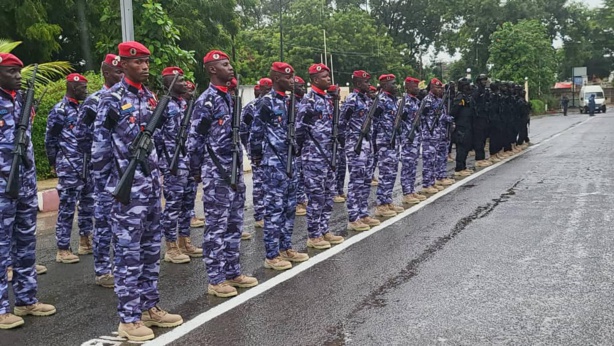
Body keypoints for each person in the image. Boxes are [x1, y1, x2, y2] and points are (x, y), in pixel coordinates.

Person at [92, 41, 183, 341]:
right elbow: (100, 150)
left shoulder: (150, 96)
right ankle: (128, 319)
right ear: (122, 65)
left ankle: (149, 307)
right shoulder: (112, 100)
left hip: (150, 188)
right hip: (126, 192)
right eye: (137, 62)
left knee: (149, 251)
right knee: (128, 254)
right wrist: (109, 192)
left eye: (146, 62)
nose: (144, 67)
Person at [188, 50, 258, 298]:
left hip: (234, 169)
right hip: (216, 172)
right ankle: (216, 279)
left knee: (234, 223)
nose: (230, 68)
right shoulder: (206, 102)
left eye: (230, 63)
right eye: (224, 64)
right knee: (216, 227)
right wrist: (197, 170)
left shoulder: (230, 98)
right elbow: (194, 140)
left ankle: (233, 271)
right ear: (212, 69)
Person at [0, 52, 56, 330]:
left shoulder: (19, 101)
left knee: (25, 244)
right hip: (1, 185)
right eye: (11, 72)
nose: (17, 77)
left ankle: (26, 299)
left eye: (19, 72)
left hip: (24, 183)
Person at [250, 62, 310, 270]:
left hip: (291, 161)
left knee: (289, 207)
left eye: (293, 76)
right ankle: (272, 255)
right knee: (274, 209)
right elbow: (255, 133)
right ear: (276, 79)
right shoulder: (266, 102)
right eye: (288, 77)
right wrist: (257, 157)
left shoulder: (292, 101)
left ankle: (286, 247)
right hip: (273, 162)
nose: (292, 80)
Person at [75, 53, 123, 287]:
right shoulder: (94, 101)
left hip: (126, 171)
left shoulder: (129, 98)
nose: (121, 76)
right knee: (103, 221)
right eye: (117, 72)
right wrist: (98, 161)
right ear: (106, 73)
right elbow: (82, 136)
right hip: (105, 173)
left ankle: (124, 268)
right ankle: (103, 270)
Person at [154, 67, 202, 264]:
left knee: (187, 204)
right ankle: (171, 246)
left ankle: (185, 241)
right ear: (168, 84)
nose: (184, 83)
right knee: (173, 205)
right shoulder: (164, 106)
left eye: (183, 79)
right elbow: (155, 135)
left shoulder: (186, 104)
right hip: (173, 162)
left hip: (189, 161)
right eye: (179, 80)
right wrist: (165, 159)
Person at [45, 73, 94, 263]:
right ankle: (63, 248)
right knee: (67, 208)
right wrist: (53, 163)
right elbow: (51, 139)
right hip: (68, 166)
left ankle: (84, 240)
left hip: (86, 164)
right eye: (83, 87)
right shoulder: (60, 110)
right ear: (73, 87)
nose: (86, 90)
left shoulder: (84, 109)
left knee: (88, 204)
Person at [296, 63, 345, 249]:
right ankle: (313, 234)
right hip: (314, 156)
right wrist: (303, 152)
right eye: (325, 77)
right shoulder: (308, 101)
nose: (329, 79)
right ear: (315, 79)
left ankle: (324, 229)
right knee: (316, 197)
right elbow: (300, 130)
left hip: (329, 154)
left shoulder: (327, 100)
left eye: (328, 76)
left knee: (328, 194)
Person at [342, 70, 381, 232]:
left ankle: (363, 213)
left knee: (366, 181)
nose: (368, 85)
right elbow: (342, 122)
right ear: (358, 83)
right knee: (356, 182)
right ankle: (353, 217)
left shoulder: (366, 99)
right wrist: (350, 140)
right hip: (356, 145)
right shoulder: (352, 100)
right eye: (365, 82)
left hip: (367, 144)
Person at [371, 74, 404, 217]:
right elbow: (373, 121)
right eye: (393, 83)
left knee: (392, 172)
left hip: (393, 140)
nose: (396, 86)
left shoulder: (394, 100)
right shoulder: (380, 100)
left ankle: (387, 200)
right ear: (384, 85)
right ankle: (381, 205)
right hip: (384, 140)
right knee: (385, 173)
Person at [242, 78, 271, 231]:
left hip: (271, 151)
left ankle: (269, 213)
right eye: (262, 89)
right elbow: (243, 129)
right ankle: (259, 215)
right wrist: (249, 149)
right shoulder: (251, 107)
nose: (264, 92)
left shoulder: (272, 104)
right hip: (257, 150)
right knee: (259, 183)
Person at [399, 76, 427, 205]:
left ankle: (411, 190)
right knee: (407, 166)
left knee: (413, 165)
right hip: (408, 138)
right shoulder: (405, 101)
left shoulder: (415, 101)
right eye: (415, 86)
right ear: (408, 87)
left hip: (415, 138)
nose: (417, 89)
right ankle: (406, 193)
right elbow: (400, 121)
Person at [420, 78, 448, 194]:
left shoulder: (437, 100)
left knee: (434, 159)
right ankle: (427, 184)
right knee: (429, 160)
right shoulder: (428, 100)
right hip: (429, 134)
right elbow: (423, 117)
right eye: (437, 87)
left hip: (437, 133)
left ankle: (432, 181)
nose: (439, 89)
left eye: (440, 87)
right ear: (431, 87)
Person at [450, 78, 475, 177]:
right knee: (461, 147)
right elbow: (454, 111)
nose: (468, 87)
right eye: (466, 85)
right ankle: (459, 168)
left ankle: (463, 167)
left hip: (468, 124)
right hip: (461, 126)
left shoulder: (467, 96)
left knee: (466, 146)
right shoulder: (460, 97)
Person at [293, 76, 308, 216]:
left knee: (302, 174)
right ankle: (296, 202)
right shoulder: (289, 103)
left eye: (304, 86)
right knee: (296, 175)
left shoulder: (304, 102)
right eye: (300, 86)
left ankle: (301, 199)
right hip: (293, 144)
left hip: (303, 144)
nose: (303, 89)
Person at [471, 74, 493, 168]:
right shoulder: (476, 90)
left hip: (484, 117)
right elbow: (473, 102)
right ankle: (479, 159)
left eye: (485, 80)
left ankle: (482, 158)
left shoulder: (485, 91)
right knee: (479, 139)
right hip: (478, 118)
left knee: (483, 138)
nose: (484, 81)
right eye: (482, 80)